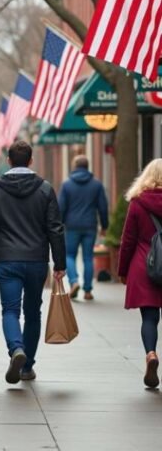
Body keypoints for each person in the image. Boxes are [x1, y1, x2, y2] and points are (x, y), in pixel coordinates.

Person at [0, 141, 65, 384]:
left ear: (8, 161)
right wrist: (59, 263)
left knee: (10, 310)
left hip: (6, 260)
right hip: (37, 260)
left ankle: (16, 348)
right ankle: (27, 366)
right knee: (33, 312)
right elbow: (55, 228)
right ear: (31, 161)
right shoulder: (46, 190)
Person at [118, 158, 162, 389]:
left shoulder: (138, 203)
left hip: (145, 265)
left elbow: (128, 241)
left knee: (150, 318)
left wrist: (123, 271)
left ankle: (151, 354)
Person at [58, 155, 109, 301]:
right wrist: (104, 225)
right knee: (88, 257)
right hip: (90, 226)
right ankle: (87, 291)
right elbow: (103, 207)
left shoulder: (67, 185)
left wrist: (59, 224)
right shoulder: (96, 185)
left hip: (71, 226)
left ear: (75, 166)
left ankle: (74, 281)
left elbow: (61, 208)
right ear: (87, 166)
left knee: (69, 256)